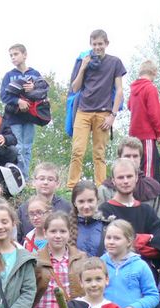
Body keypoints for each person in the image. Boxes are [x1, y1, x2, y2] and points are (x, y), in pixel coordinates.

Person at [67, 29, 126, 189]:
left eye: (100, 44)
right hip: (83, 111)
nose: (97, 47)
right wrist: (83, 67)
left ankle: (101, 187)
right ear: (90, 44)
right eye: (94, 44)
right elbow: (75, 88)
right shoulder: (84, 60)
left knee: (99, 153)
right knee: (77, 150)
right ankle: (72, 186)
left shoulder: (115, 62)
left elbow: (119, 91)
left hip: (104, 113)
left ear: (106, 43)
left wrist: (113, 115)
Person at [98, 160, 160, 271]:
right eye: (120, 177)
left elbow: (158, 248)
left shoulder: (147, 211)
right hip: (113, 272)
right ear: (113, 181)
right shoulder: (104, 212)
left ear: (136, 178)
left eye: (129, 176)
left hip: (144, 273)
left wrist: (123, 244)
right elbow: (103, 248)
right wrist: (142, 241)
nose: (125, 181)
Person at [0, 44, 43, 177]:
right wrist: (18, 101)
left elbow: (43, 92)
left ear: (25, 55)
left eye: (16, 54)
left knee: (27, 147)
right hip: (14, 118)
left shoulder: (35, 74)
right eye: (11, 55)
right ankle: (19, 176)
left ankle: (25, 176)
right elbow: (4, 96)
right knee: (17, 147)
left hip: (30, 117)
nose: (13, 57)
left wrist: (34, 88)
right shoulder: (9, 75)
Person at [98, 137, 160, 223]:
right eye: (127, 156)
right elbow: (98, 223)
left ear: (140, 158)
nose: (132, 160)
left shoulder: (153, 188)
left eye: (135, 156)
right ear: (119, 158)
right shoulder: (105, 190)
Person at [128, 61, 160, 181]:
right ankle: (147, 190)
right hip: (147, 134)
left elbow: (129, 106)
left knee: (135, 167)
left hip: (133, 134)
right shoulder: (150, 88)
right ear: (154, 73)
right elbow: (154, 113)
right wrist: (159, 133)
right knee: (149, 169)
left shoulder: (133, 89)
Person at [17, 163, 72, 238]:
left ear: (57, 183)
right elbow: (18, 237)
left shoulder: (66, 207)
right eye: (42, 179)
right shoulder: (23, 209)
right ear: (34, 182)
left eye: (50, 179)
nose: (45, 182)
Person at [70, 180, 108, 257]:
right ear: (75, 203)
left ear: (97, 200)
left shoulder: (107, 227)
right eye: (81, 201)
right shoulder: (66, 227)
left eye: (90, 201)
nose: (86, 206)